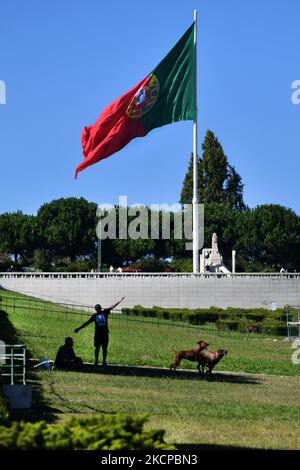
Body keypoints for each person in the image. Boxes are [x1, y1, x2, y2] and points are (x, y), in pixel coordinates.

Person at [74, 297, 125, 367]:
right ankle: (96, 361)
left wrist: (119, 301)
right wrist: (79, 328)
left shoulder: (105, 312)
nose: (98, 309)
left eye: (99, 308)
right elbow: (87, 323)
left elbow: (112, 306)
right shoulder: (94, 316)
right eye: (97, 309)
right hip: (98, 335)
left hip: (105, 334)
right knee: (97, 348)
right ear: (96, 309)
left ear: (101, 308)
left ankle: (104, 361)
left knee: (104, 348)